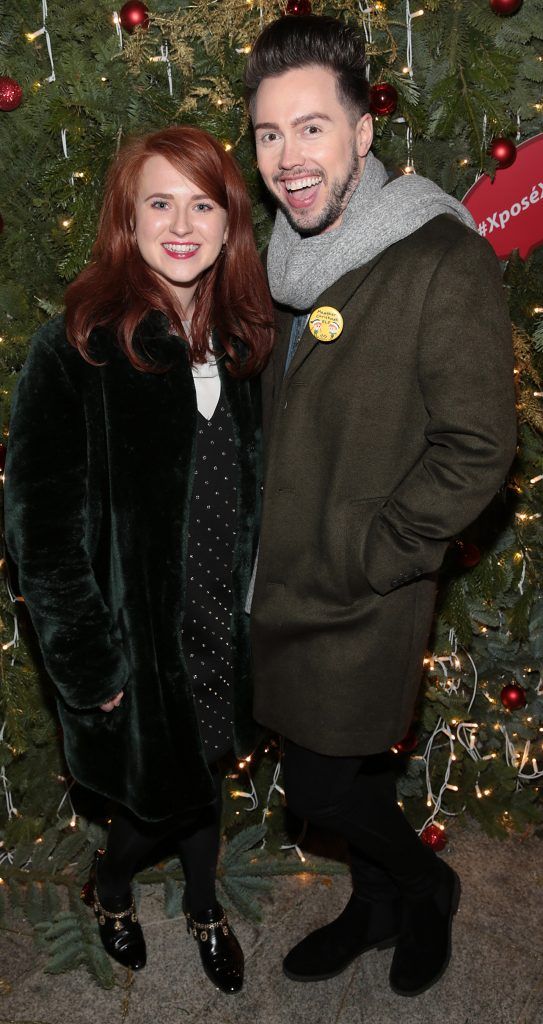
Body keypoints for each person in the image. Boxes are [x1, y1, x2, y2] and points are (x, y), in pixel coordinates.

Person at [244, 15, 517, 997]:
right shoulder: (288, 250)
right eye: (269, 133)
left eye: (312, 128)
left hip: (365, 584)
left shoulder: (439, 256)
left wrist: (379, 549)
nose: (287, 158)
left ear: (364, 129)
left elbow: (483, 444)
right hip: (288, 572)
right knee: (347, 774)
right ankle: (373, 905)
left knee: (319, 785)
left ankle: (425, 885)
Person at [4, 125, 274, 994]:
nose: (182, 223)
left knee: (202, 781)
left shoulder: (247, 345)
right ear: (128, 218)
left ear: (232, 224)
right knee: (156, 796)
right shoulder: (76, 346)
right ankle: (113, 888)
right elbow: (38, 533)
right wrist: (91, 666)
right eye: (159, 202)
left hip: (221, 628)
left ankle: (202, 904)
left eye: (203, 203)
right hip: (132, 643)